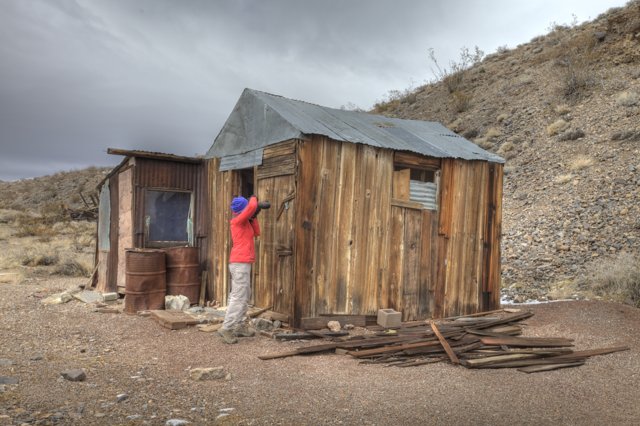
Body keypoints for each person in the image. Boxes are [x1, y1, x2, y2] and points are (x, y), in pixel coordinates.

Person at [218, 195, 260, 344]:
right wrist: (254, 198)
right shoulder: (237, 221)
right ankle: (227, 328)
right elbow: (252, 205)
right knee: (238, 296)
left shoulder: (245, 222)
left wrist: (253, 217)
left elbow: (257, 232)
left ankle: (240, 326)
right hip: (239, 263)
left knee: (244, 294)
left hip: (243, 263)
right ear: (243, 210)